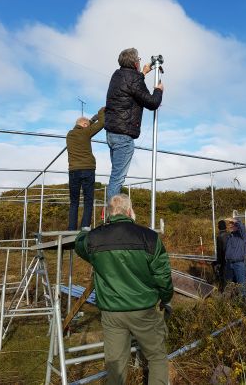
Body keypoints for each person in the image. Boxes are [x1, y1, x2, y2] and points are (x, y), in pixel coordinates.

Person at [75, 193, 173, 385]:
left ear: (109, 213)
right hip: (143, 310)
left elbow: (80, 245)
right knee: (157, 357)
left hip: (112, 312)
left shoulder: (94, 238)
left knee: (116, 365)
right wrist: (166, 298)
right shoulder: (150, 237)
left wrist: (84, 231)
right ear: (129, 211)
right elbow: (163, 275)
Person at [105, 48, 164, 201]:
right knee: (117, 179)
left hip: (112, 134)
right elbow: (152, 103)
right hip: (123, 136)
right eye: (138, 58)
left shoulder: (117, 75)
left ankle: (112, 214)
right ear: (134, 62)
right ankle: (113, 216)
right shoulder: (134, 79)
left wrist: (142, 73)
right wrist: (158, 91)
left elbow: (132, 87)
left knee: (115, 176)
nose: (139, 60)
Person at [66, 107, 105, 230]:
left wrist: (90, 121)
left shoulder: (69, 134)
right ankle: (85, 228)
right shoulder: (86, 132)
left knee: (74, 202)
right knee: (88, 201)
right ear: (84, 125)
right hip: (87, 170)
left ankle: (71, 229)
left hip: (73, 171)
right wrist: (101, 112)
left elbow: (87, 127)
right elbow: (102, 123)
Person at [224, 218, 246, 297]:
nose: (230, 226)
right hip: (229, 264)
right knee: (229, 285)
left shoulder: (242, 235)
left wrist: (234, 220)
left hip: (238, 264)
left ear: (236, 226)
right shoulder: (229, 236)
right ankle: (230, 305)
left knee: (241, 286)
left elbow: (242, 226)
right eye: (229, 225)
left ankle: (243, 304)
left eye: (232, 225)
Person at [213, 220, 229, 292]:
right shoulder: (229, 235)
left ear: (219, 227)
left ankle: (222, 289)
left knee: (223, 274)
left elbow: (219, 250)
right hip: (230, 257)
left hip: (223, 258)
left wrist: (218, 262)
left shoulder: (219, 237)